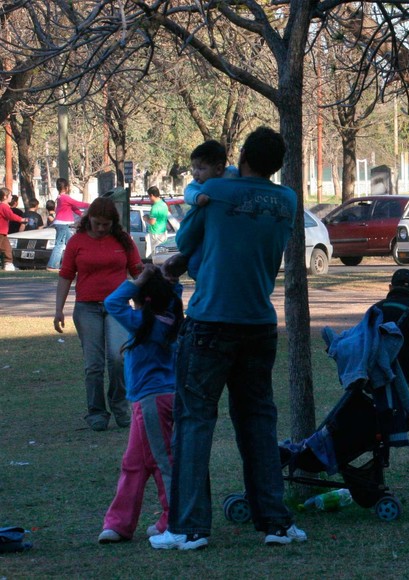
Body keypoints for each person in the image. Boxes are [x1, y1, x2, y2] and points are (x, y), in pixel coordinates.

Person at [150, 126, 305, 551]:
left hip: (211, 321)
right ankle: (275, 520)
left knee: (195, 420)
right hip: (258, 323)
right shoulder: (288, 201)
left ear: (242, 156)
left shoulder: (216, 191)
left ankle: (188, 527)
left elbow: (183, 239)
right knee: (257, 420)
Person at [98, 265, 182, 544]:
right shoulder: (172, 320)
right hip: (152, 401)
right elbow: (171, 297)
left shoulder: (143, 323)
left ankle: (175, 519)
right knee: (133, 462)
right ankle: (118, 524)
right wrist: (170, 282)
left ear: (142, 300)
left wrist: (138, 281)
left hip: (151, 402)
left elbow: (112, 302)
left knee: (163, 462)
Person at [54, 197, 143, 431]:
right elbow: (65, 275)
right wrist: (58, 309)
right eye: (97, 224)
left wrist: (147, 304)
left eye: (106, 224)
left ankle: (120, 405)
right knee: (93, 365)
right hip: (87, 308)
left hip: (118, 308)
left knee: (118, 357)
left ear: (113, 222)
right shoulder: (77, 242)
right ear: (88, 220)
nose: (102, 229)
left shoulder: (123, 241)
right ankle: (96, 412)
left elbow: (138, 273)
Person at [177, 140, 239, 279]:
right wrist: (198, 198)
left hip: (222, 233)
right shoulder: (196, 186)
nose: (195, 173)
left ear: (218, 169)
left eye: (201, 168)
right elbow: (188, 193)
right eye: (194, 168)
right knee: (195, 263)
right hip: (203, 234)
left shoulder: (232, 174)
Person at [47, 178, 89, 271]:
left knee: (71, 244)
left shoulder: (60, 198)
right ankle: (52, 265)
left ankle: (72, 265)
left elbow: (73, 207)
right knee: (60, 244)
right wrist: (91, 205)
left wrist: (81, 214)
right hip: (63, 223)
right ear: (66, 187)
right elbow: (77, 203)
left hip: (63, 223)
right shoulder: (65, 197)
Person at [0, 188, 25, 271]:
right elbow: (11, 216)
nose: (11, 197)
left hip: (3, 233)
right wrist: (22, 220)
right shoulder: (4, 207)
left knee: (7, 249)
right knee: (6, 249)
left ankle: (8, 264)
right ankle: (8, 264)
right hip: (1, 232)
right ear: (4, 197)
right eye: (10, 195)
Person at [144, 186, 169, 259]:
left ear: (151, 195)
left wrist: (146, 219)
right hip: (163, 232)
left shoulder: (155, 207)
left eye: (149, 196)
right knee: (163, 255)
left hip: (156, 233)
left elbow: (152, 222)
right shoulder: (164, 204)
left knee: (156, 256)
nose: (149, 198)